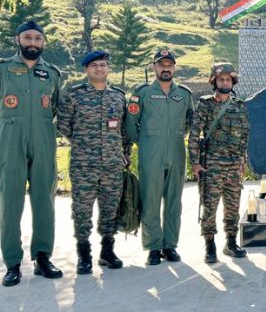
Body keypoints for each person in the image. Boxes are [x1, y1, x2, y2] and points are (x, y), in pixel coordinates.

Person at [0, 20, 63, 286]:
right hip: (9, 139)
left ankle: (43, 257)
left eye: (38, 39)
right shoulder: (3, 69)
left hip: (43, 138)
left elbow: (57, 107)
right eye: (28, 38)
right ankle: (12, 263)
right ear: (18, 40)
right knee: (10, 201)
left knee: (44, 200)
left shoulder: (52, 73)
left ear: (43, 43)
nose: (33, 43)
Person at [57, 50, 130, 274]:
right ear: (86, 70)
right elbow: (63, 126)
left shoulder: (118, 96)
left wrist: (124, 154)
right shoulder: (74, 94)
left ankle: (107, 252)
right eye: (94, 66)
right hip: (83, 165)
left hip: (112, 164)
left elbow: (124, 130)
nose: (99, 69)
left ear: (108, 69)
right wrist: (84, 145)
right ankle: (84, 255)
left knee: (110, 209)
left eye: (103, 65)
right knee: (82, 210)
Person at [125, 49, 193, 265]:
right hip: (150, 154)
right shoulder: (142, 93)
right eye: (161, 64)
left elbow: (190, 121)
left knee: (174, 201)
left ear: (174, 68)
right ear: (154, 67)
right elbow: (130, 123)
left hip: (176, 152)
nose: (166, 68)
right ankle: (153, 246)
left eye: (169, 65)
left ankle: (170, 245)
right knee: (151, 200)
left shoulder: (184, 94)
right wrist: (144, 142)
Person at [189, 63, 250, 263]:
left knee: (233, 205)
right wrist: (195, 163)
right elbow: (194, 134)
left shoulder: (239, 105)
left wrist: (242, 160)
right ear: (214, 81)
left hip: (233, 165)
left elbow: (244, 136)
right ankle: (209, 245)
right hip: (212, 164)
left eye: (228, 79)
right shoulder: (205, 104)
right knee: (210, 206)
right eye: (221, 79)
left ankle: (231, 242)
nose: (225, 82)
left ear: (233, 82)